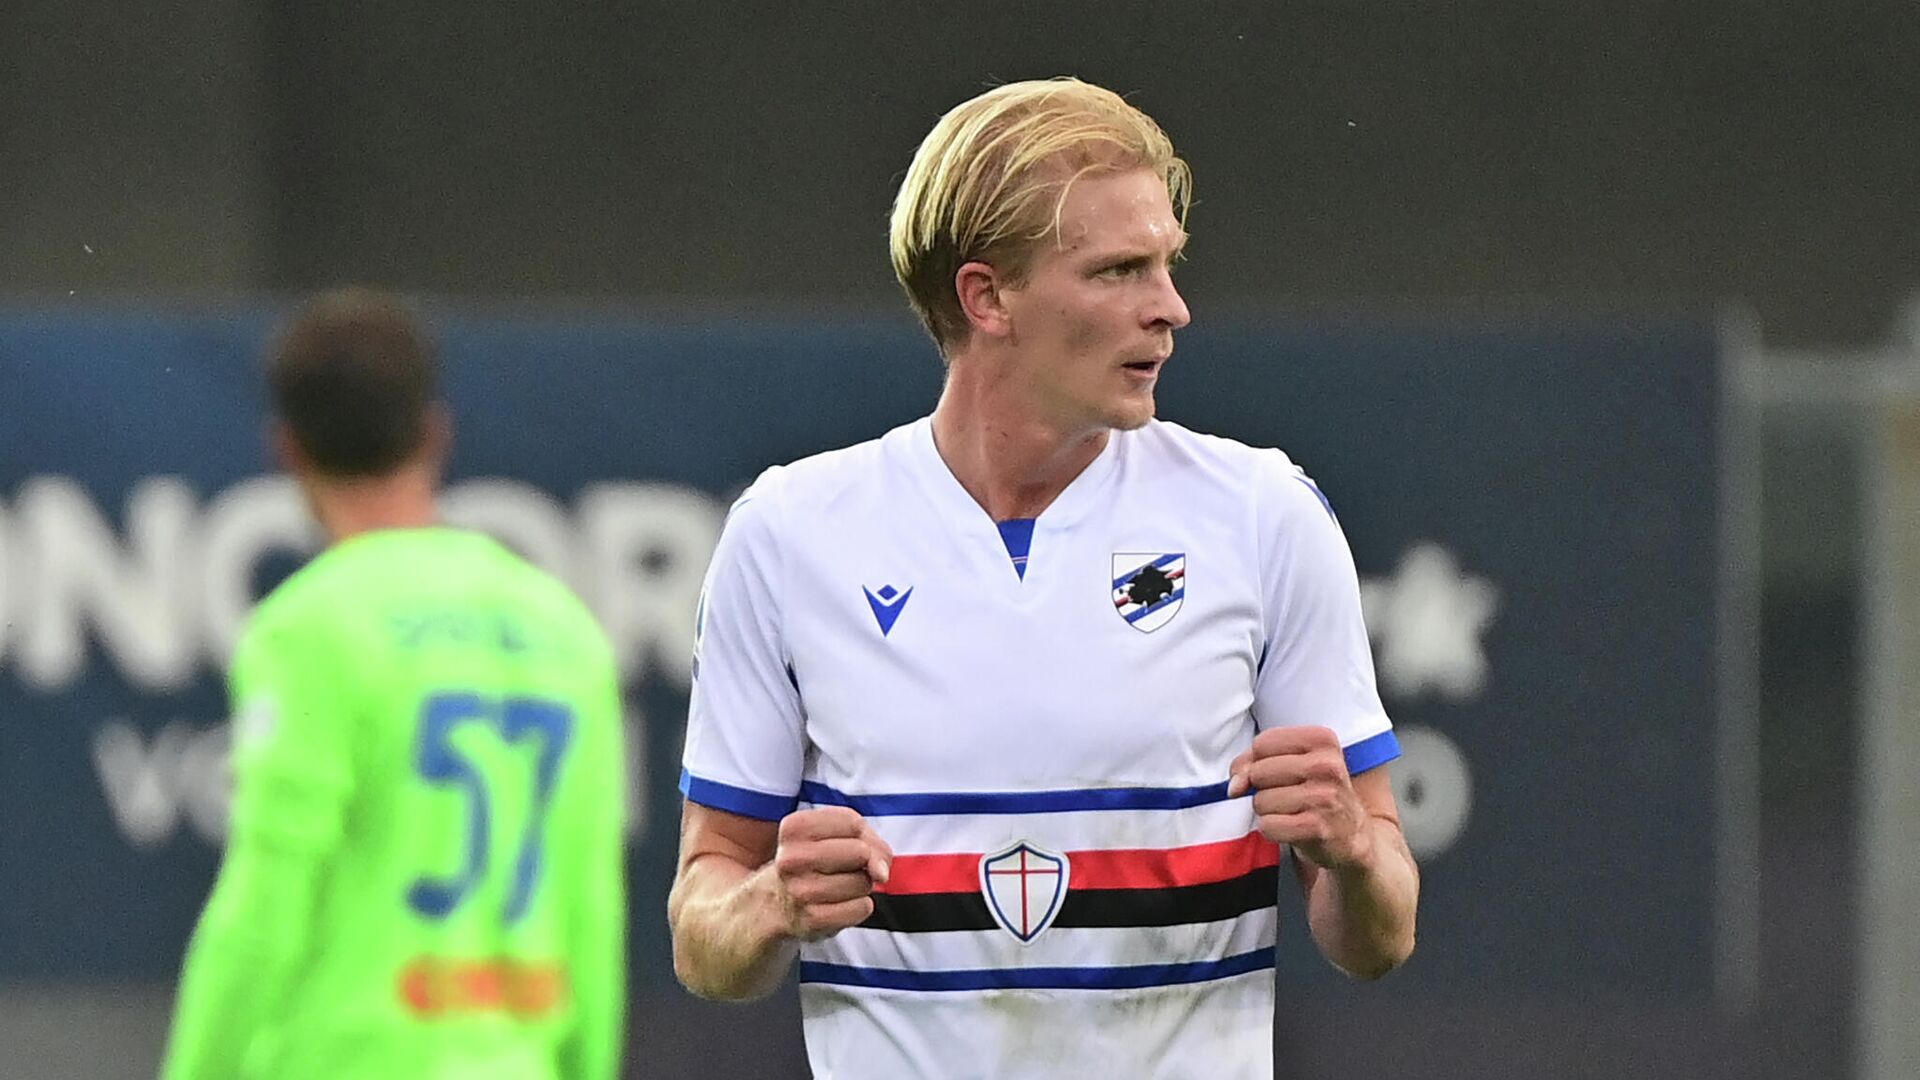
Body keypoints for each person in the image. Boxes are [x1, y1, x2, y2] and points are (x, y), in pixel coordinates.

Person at [669, 77, 1418, 1079]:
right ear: (987, 298)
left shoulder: (1261, 513)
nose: (1171, 310)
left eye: (1168, 265)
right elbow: (702, 930)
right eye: (1119, 271)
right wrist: (766, 905)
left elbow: (1380, 935)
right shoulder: (790, 534)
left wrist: (1355, 855)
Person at [161, 288, 627, 1080]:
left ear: (288, 450)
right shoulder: (562, 628)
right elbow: (591, 906)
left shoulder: (309, 627)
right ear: (433, 433)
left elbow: (264, 905)